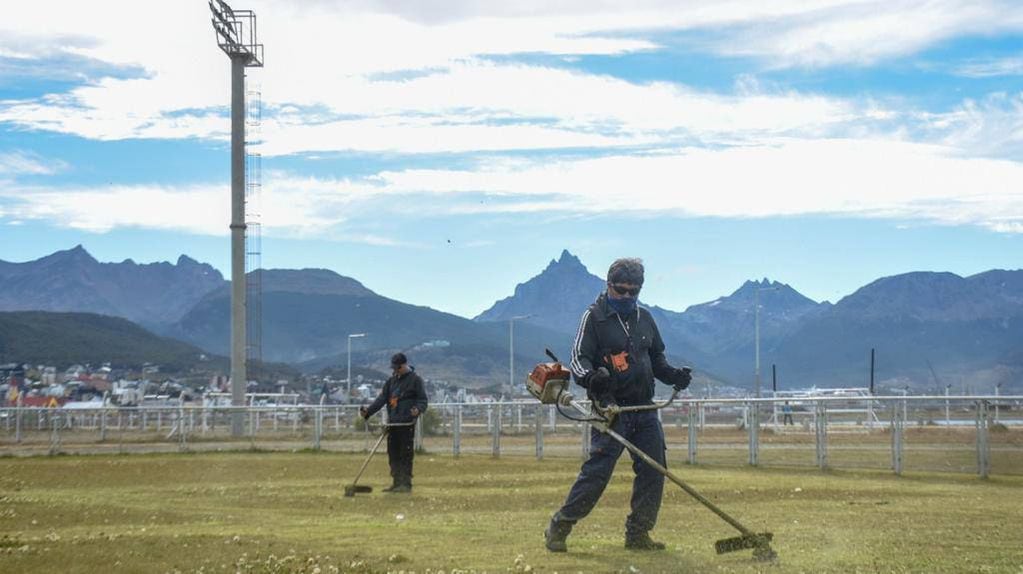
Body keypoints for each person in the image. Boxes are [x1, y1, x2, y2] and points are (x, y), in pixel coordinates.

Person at [545, 258, 692, 552]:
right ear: (608, 285)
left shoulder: (646, 319)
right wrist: (591, 379)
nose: (626, 296)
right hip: (610, 410)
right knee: (597, 473)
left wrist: (673, 375)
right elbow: (578, 360)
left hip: (643, 409)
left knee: (654, 470)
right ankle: (560, 525)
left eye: (633, 292)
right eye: (620, 290)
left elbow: (657, 360)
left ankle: (638, 534)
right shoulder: (593, 317)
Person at [360, 352, 429, 493]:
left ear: (404, 365)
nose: (395, 370)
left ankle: (405, 484)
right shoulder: (391, 382)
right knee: (393, 454)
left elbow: (423, 400)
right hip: (393, 424)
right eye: (393, 368)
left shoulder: (415, 380)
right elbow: (381, 399)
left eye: (397, 368)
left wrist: (417, 409)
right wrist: (368, 412)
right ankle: (396, 482)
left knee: (405, 454)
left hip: (406, 424)